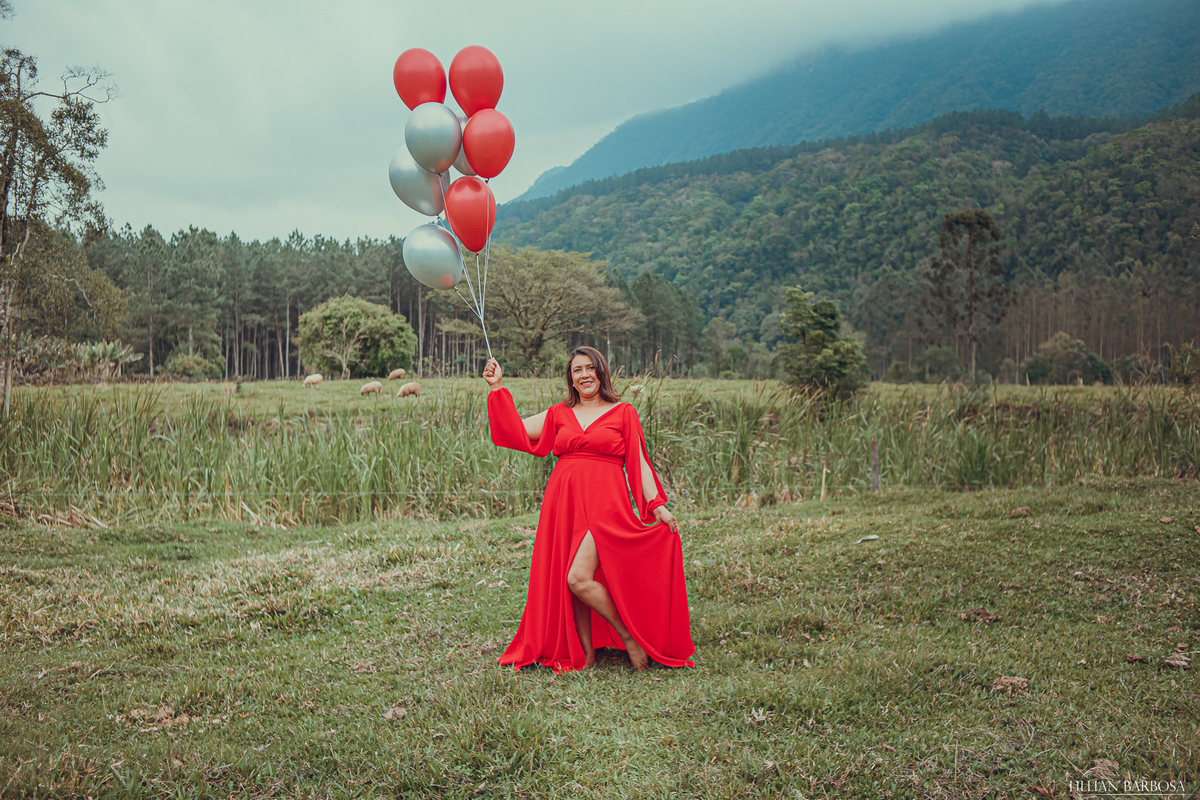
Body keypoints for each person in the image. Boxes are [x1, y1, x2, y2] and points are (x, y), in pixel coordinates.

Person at [483, 347, 695, 672]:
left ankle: (630, 637)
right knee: (570, 577)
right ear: (571, 378)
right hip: (563, 503)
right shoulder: (559, 413)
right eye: (577, 370)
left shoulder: (623, 412)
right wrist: (497, 388)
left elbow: (638, 461)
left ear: (601, 372)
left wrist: (657, 506)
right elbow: (513, 432)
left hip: (606, 506)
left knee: (577, 577)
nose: (584, 375)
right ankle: (584, 653)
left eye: (589, 368)